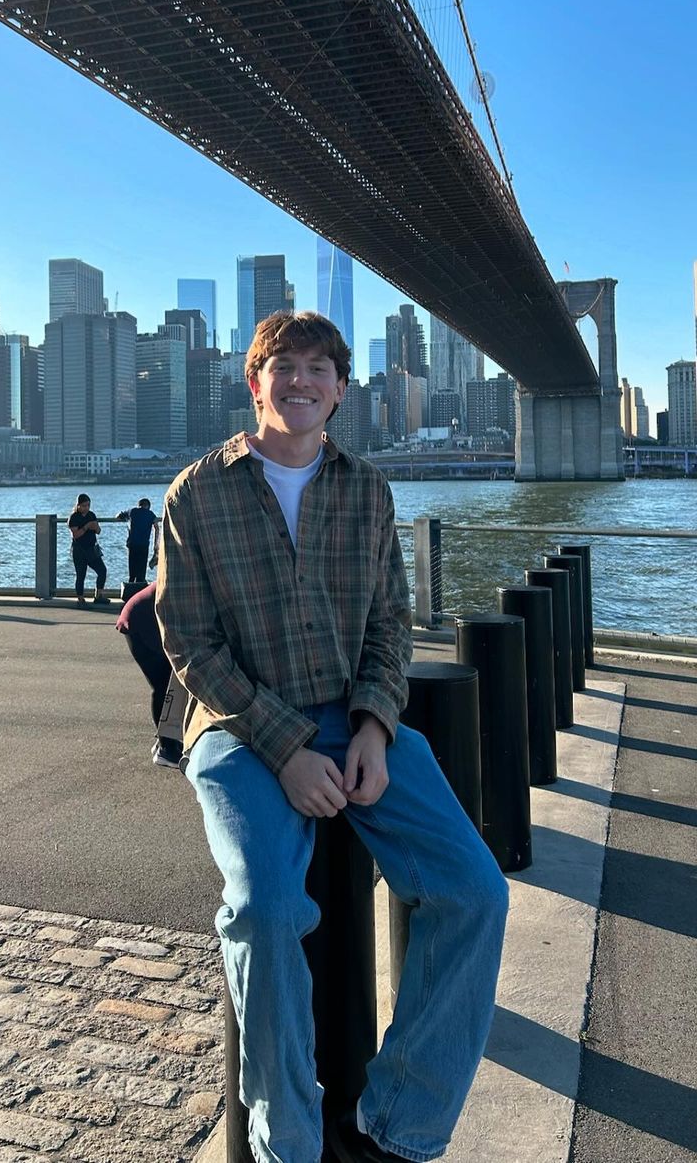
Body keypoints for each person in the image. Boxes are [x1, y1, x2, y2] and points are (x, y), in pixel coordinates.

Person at [156, 312, 508, 1163]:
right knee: (266, 909)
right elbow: (189, 643)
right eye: (284, 365)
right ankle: (288, 1141)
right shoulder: (194, 493)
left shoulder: (368, 491)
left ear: (342, 390)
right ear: (255, 382)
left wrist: (376, 726)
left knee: (476, 890)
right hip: (239, 727)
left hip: (353, 715)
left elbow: (390, 624)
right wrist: (285, 746)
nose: (301, 381)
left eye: (320, 368)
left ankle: (401, 1121)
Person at [115, 579, 183, 768]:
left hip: (147, 618)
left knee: (168, 682)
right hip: (141, 622)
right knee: (163, 685)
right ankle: (166, 749)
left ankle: (166, 741)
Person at [67, 493, 111, 605]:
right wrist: (86, 527)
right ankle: (80, 598)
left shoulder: (91, 515)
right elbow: (76, 535)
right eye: (84, 506)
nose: (86, 508)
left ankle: (98, 595)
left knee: (102, 570)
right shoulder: (74, 517)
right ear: (78, 505)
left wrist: (96, 527)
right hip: (79, 549)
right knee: (81, 575)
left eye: (88, 505)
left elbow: (98, 531)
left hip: (91, 548)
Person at [115, 496, 160, 586]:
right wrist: (156, 545)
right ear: (148, 506)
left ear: (139, 505)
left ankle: (130, 589)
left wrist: (127, 520)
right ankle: (139, 588)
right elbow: (156, 528)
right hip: (144, 545)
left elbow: (118, 516)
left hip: (132, 544)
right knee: (141, 572)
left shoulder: (132, 511)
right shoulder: (151, 514)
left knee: (132, 571)